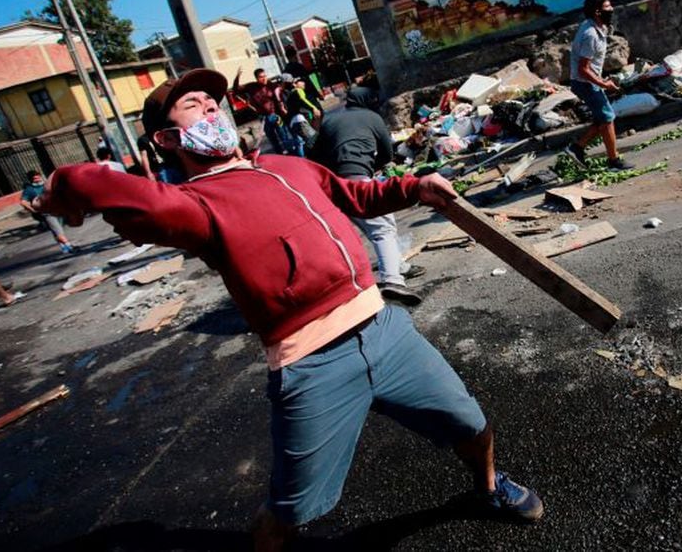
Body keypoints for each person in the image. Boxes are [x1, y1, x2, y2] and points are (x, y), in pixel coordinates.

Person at [35, 69, 543, 550]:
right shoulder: (191, 205)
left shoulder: (287, 165)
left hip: (386, 329)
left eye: (214, 101)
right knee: (290, 509)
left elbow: (355, 195)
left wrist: (415, 187)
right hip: (312, 365)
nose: (212, 107)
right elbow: (95, 182)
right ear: (167, 140)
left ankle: (489, 485)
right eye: (193, 105)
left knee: (472, 426)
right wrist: (58, 197)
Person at [312, 76, 425, 306]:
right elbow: (386, 153)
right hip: (358, 179)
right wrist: (373, 166)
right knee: (382, 228)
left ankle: (399, 266)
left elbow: (314, 156)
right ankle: (393, 280)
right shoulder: (372, 117)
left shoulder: (330, 122)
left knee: (373, 226)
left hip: (329, 187)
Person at [565, 0, 634, 171]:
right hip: (585, 83)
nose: (611, 10)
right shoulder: (590, 35)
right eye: (607, 8)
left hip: (588, 81)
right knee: (608, 117)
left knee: (601, 119)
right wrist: (604, 84)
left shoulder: (594, 27)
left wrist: (601, 80)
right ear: (597, 12)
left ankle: (577, 148)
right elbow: (583, 69)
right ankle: (613, 160)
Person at [20, 171, 74, 253]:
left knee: (57, 230)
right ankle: (69, 245)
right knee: (58, 230)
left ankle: (63, 246)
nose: (37, 179)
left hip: (57, 209)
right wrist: (33, 210)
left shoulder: (47, 184)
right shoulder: (29, 189)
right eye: (34, 178)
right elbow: (23, 202)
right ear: (31, 180)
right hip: (46, 213)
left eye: (38, 176)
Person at [244, 68, 293, 155]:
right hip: (264, 118)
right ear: (256, 78)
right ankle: (280, 155)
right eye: (261, 77)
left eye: (265, 76)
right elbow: (237, 90)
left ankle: (292, 153)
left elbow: (279, 98)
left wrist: (282, 110)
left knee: (283, 135)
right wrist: (238, 77)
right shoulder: (252, 87)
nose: (264, 78)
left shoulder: (271, 85)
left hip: (275, 115)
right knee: (273, 139)